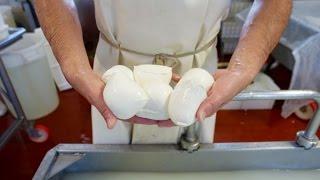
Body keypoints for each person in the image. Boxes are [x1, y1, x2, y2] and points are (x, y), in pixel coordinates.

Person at [34, 0, 292, 144]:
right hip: (113, 74)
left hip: (198, 74)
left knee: (189, 159)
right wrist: (74, 66)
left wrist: (243, 68)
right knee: (115, 166)